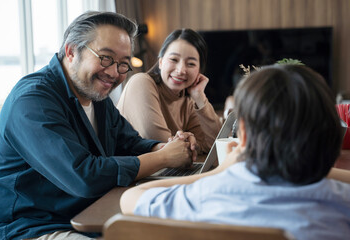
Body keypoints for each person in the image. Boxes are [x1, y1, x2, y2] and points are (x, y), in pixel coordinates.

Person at [0, 11, 197, 240]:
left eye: (123, 65)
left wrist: (166, 147)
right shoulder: (32, 101)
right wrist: (164, 158)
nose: (113, 72)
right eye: (106, 58)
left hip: (87, 214)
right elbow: (83, 176)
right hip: (29, 227)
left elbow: (130, 143)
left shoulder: (96, 97)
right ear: (71, 51)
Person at [120, 64, 350, 240]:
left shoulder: (203, 196)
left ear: (244, 136)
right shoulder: (342, 201)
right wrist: (312, 168)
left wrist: (220, 171)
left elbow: (130, 199)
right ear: (330, 137)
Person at [117, 29, 222, 154]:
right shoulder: (141, 83)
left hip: (162, 172)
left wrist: (199, 96)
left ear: (199, 70)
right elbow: (163, 147)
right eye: (174, 59)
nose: (181, 70)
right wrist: (191, 144)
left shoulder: (187, 101)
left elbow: (217, 146)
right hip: (130, 171)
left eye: (191, 63)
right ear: (160, 62)